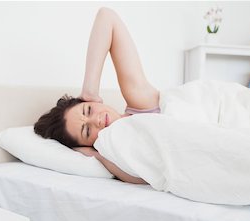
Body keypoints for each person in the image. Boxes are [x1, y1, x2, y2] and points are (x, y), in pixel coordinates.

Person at [35, 7, 158, 184]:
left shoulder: (141, 103)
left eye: (89, 109)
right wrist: (96, 156)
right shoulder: (116, 155)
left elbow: (107, 16)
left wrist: (90, 90)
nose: (96, 121)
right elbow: (145, 178)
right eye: (87, 130)